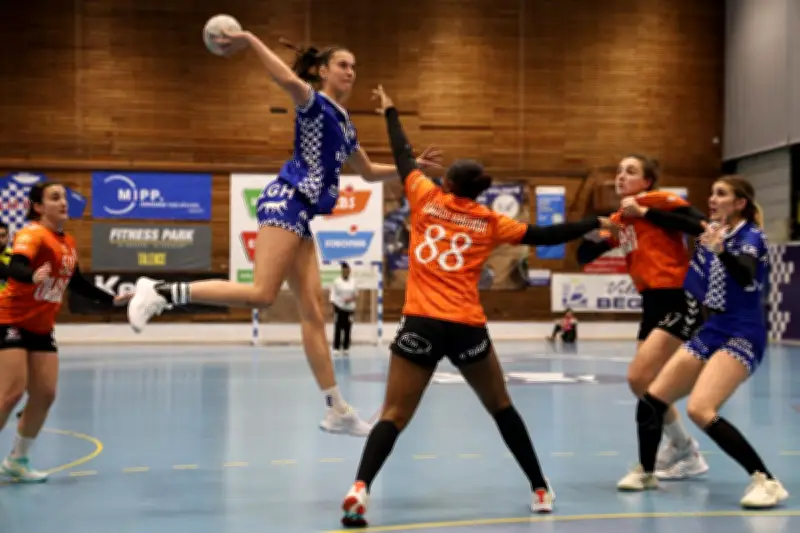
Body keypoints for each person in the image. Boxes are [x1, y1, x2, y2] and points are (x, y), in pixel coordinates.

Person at [125, 29, 442, 438]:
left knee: (313, 311)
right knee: (262, 294)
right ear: (323, 70)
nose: (351, 72)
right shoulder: (313, 105)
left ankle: (337, 410)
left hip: (304, 213)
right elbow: (287, 80)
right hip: (287, 199)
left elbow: (365, 172)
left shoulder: (345, 124)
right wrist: (247, 38)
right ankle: (162, 292)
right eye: (343, 65)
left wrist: (411, 166)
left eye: (355, 67)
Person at [339, 86, 616, 527]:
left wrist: (390, 111)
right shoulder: (490, 223)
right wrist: (596, 222)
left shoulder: (425, 197)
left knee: (393, 415)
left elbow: (404, 155)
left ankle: (359, 488)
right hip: (466, 327)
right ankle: (540, 488)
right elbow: (547, 235)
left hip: (420, 325)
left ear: (446, 183)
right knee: (501, 406)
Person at [616, 176, 790, 508]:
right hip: (712, 329)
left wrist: (721, 251)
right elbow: (680, 227)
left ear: (740, 203)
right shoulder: (711, 232)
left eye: (721, 194)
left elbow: (746, 274)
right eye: (711, 192)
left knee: (699, 409)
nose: (712, 198)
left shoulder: (751, 236)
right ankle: (647, 471)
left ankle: (766, 480)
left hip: (742, 331)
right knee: (652, 397)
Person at [577, 156, 709, 480]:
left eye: (631, 171)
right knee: (647, 385)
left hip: (678, 297)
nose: (622, 176)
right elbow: (583, 255)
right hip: (650, 303)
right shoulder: (621, 219)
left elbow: (699, 225)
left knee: (639, 378)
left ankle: (676, 451)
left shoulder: (660, 201)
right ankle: (685, 449)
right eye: (619, 170)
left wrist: (646, 212)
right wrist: (598, 231)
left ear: (646, 182)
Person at [0, 182, 130, 482]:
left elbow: (78, 283)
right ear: (38, 207)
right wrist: (31, 274)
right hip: (11, 320)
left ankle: (17, 460)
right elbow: (15, 266)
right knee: (10, 394)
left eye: (64, 198)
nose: (63, 203)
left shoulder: (68, 242)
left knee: (45, 394)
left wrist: (112, 300)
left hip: (42, 327)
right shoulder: (32, 234)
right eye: (54, 198)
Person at [331, 262, 356, 357]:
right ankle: (336, 347)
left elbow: (355, 295)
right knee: (338, 328)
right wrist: (334, 308)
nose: (346, 272)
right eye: (344, 270)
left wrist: (350, 299)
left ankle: (346, 347)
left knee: (348, 328)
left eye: (348, 270)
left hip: (350, 309)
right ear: (342, 271)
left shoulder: (353, 282)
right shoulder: (337, 281)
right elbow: (333, 296)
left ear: (349, 271)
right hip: (339, 307)